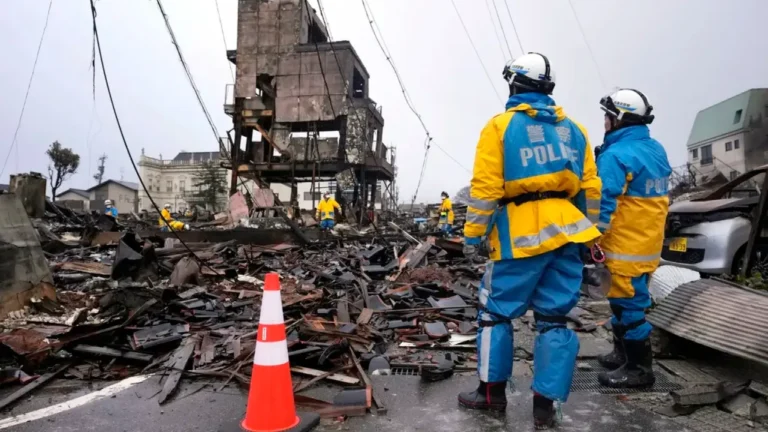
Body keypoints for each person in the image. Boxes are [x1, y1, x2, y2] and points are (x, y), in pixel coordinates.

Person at [458, 52, 602, 429]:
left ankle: (490, 395)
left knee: (495, 313)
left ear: (514, 84)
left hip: (519, 234)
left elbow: (486, 188)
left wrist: (473, 234)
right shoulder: (576, 130)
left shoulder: (500, 127)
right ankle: (545, 406)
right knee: (554, 318)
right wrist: (590, 233)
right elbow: (590, 188)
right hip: (569, 231)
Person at [594, 89, 671, 389]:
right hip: (647, 244)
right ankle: (621, 354)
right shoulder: (655, 149)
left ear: (620, 119)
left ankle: (639, 370)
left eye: (608, 116)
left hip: (624, 246)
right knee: (621, 299)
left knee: (629, 305)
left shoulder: (616, 155)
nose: (605, 121)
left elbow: (604, 204)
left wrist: (590, 240)